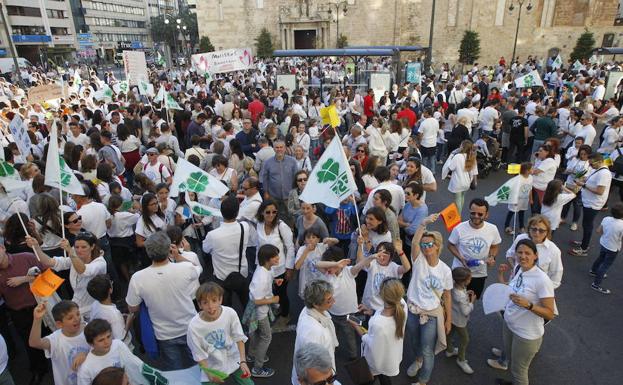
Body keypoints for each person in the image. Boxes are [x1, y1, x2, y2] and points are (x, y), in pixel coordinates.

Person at [126, 231, 198, 371]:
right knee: (199, 367)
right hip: (191, 327)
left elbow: (132, 308)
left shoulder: (138, 278)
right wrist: (178, 256)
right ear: (169, 248)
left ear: (148, 252)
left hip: (164, 334)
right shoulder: (185, 268)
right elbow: (196, 269)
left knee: (175, 373)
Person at [490, 239, 556, 385]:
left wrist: (530, 305)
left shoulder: (542, 280)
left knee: (518, 371)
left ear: (536, 256)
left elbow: (550, 313)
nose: (522, 256)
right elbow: (510, 291)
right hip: (510, 325)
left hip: (526, 335)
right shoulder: (519, 269)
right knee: (511, 358)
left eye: (527, 253)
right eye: (519, 252)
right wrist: (501, 275)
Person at [405, 214, 452, 385]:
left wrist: (449, 321)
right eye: (424, 244)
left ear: (437, 246)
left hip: (431, 314)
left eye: (429, 244)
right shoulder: (418, 261)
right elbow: (415, 243)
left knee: (427, 349)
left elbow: (447, 295)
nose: (425, 247)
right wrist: (423, 224)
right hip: (413, 310)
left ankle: (423, 380)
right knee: (414, 340)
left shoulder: (445, 270)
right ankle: (417, 361)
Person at [26, 233, 107, 321]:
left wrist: (71, 252)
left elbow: (83, 271)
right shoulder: (73, 259)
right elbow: (49, 262)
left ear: (92, 247)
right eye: (76, 247)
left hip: (96, 308)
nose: (79, 250)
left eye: (83, 247)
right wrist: (37, 247)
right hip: (77, 308)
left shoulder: (100, 263)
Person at [186, 283, 253, 384]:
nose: (210, 306)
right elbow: (199, 355)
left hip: (233, 359)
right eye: (205, 302)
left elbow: (239, 338)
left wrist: (243, 361)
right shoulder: (194, 326)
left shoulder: (230, 313)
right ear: (199, 305)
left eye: (214, 300)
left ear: (220, 300)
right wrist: (210, 375)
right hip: (211, 366)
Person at [350, 278, 407, 385]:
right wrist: (372, 312)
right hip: (391, 357)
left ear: (382, 295)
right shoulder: (403, 305)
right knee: (384, 377)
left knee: (367, 381)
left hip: (376, 363)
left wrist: (357, 326)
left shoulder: (378, 323)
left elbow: (371, 344)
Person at [77, 319, 166, 385]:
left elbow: (136, 365)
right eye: (101, 340)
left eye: (108, 336)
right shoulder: (85, 369)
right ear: (91, 343)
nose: (107, 342)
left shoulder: (118, 345)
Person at [203, 196, 252, 308]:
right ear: (237, 212)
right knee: (246, 303)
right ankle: (250, 323)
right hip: (241, 272)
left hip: (222, 276)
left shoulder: (213, 235)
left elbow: (205, 249)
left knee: (226, 308)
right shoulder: (244, 227)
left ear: (221, 212)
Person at [448, 198, 501, 299]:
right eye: (473, 213)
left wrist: (492, 257)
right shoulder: (459, 228)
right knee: (454, 300)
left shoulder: (492, 229)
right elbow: (450, 245)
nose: (476, 216)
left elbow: (495, 246)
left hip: (479, 274)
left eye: (480, 214)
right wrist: (461, 258)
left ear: (486, 215)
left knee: (471, 300)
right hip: (460, 272)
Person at [28, 301, 90, 385]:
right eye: (70, 318)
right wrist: (37, 319)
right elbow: (34, 343)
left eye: (78, 314)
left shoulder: (89, 329)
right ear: (59, 324)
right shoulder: (55, 340)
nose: (76, 319)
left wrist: (87, 355)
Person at [255, 199, 295, 328]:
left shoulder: (281, 226)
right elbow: (258, 246)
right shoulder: (259, 225)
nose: (271, 214)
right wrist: (258, 265)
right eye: (267, 212)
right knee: (269, 291)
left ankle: (285, 315)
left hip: (280, 268)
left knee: (281, 293)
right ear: (262, 212)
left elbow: (290, 247)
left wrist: (289, 268)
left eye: (274, 212)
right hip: (265, 268)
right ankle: (277, 309)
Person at [291, 280, 339, 385]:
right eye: (329, 300)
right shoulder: (312, 331)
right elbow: (312, 367)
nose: (333, 301)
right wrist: (328, 381)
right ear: (316, 304)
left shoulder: (307, 310)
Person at [243, 244, 281, 378]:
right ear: (267, 259)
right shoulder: (261, 277)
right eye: (275, 256)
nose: (278, 258)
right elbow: (257, 301)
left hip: (259, 311)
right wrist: (274, 300)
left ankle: (252, 355)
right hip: (260, 313)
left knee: (256, 334)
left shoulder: (266, 269)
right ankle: (257, 369)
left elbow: (264, 284)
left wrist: (275, 281)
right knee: (266, 337)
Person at [504, 215, 563, 289]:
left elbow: (555, 279)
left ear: (547, 232)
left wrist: (542, 291)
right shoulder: (520, 238)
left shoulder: (554, 250)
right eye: (534, 229)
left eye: (541, 231)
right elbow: (510, 255)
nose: (537, 233)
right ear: (529, 229)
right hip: (514, 285)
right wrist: (515, 268)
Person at [570, 153, 612, 256]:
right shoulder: (598, 169)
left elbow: (600, 191)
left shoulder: (604, 174)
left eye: (592, 164)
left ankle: (583, 249)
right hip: (589, 201)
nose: (590, 166)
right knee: (586, 224)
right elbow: (592, 179)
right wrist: (584, 179)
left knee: (587, 225)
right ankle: (584, 242)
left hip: (593, 204)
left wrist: (583, 185)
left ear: (599, 162)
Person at [87, 274, 132, 347]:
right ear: (110, 290)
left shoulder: (95, 304)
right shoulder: (114, 315)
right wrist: (129, 322)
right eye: (111, 283)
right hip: (124, 348)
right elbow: (121, 337)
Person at [260, 140, 298, 223]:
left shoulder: (292, 161)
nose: (279, 149)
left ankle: (292, 232)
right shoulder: (268, 162)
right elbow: (265, 178)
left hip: (290, 195)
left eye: (281, 147)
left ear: (285, 148)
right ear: (273, 149)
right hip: (273, 196)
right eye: (277, 147)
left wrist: (296, 191)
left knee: (292, 216)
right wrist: (266, 192)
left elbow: (296, 177)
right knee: (274, 216)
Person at [590, 202, 623, 294]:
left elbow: (598, 230)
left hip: (604, 243)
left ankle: (593, 270)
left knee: (601, 258)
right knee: (605, 265)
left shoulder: (606, 219)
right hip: (613, 248)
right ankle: (596, 284)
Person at [446, 140, 478, 213]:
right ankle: (459, 213)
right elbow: (475, 171)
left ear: (462, 147)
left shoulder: (458, 156)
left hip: (458, 182)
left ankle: (458, 216)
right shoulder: (472, 157)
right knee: (462, 197)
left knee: (457, 200)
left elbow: (451, 167)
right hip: (467, 182)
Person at [504, 163, 533, 235]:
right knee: (512, 212)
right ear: (526, 171)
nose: (533, 170)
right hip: (516, 200)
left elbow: (530, 189)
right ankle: (506, 226)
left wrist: (531, 199)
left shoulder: (531, 178)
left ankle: (521, 227)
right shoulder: (518, 179)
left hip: (524, 200)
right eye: (531, 169)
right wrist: (514, 200)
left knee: (522, 212)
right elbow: (513, 190)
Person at [531, 144, 557, 213]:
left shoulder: (549, 161)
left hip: (541, 188)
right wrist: (536, 158)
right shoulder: (541, 160)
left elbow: (535, 171)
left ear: (547, 152)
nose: (539, 152)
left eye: (541, 151)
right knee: (533, 207)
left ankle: (537, 222)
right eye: (539, 151)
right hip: (535, 186)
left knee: (537, 209)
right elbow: (533, 167)